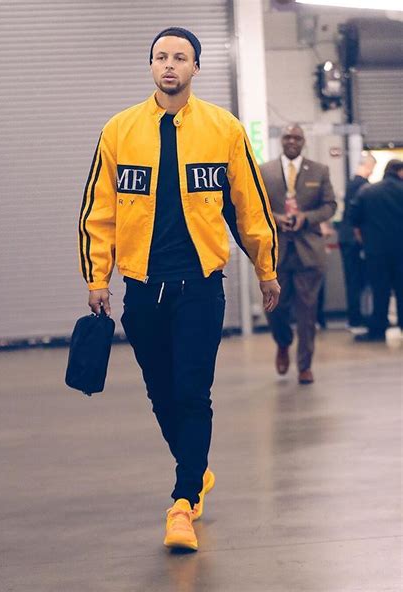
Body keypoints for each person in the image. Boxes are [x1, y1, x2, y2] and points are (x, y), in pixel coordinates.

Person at [78, 27, 280, 551]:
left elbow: (249, 207)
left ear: (196, 68)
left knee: (192, 391)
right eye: (161, 57)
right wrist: (97, 277)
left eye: (180, 57)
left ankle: (184, 500)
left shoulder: (224, 129)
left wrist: (266, 267)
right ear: (151, 67)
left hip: (200, 289)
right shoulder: (119, 131)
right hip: (142, 291)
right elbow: (98, 214)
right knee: (161, 393)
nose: (169, 65)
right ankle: (198, 468)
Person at [260, 125, 337, 384]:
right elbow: (254, 206)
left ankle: (305, 365)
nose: (292, 141)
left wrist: (306, 217)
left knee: (307, 310)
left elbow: (330, 206)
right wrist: (275, 218)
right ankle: (283, 342)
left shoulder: (319, 170)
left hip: (309, 251)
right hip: (276, 251)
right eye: (287, 137)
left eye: (297, 138)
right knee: (275, 307)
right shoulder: (264, 171)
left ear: (303, 142)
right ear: (281, 141)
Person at [351, 159, 403, 342]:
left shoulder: (368, 191)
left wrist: (365, 242)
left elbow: (354, 219)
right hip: (401, 252)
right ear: (399, 172)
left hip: (376, 251)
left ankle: (378, 330)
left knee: (380, 290)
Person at [338, 153, 376, 332]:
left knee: (352, 279)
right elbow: (358, 218)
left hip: (346, 238)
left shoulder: (351, 184)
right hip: (355, 241)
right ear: (368, 166)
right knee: (357, 280)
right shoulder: (363, 187)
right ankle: (356, 319)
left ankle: (355, 318)